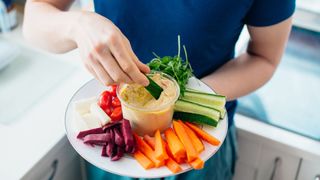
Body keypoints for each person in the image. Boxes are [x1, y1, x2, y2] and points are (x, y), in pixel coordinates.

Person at [23, 0, 295, 179]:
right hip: (117, 148)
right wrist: (77, 25)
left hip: (198, 146)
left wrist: (184, 98)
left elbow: (265, 58)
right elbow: (34, 21)